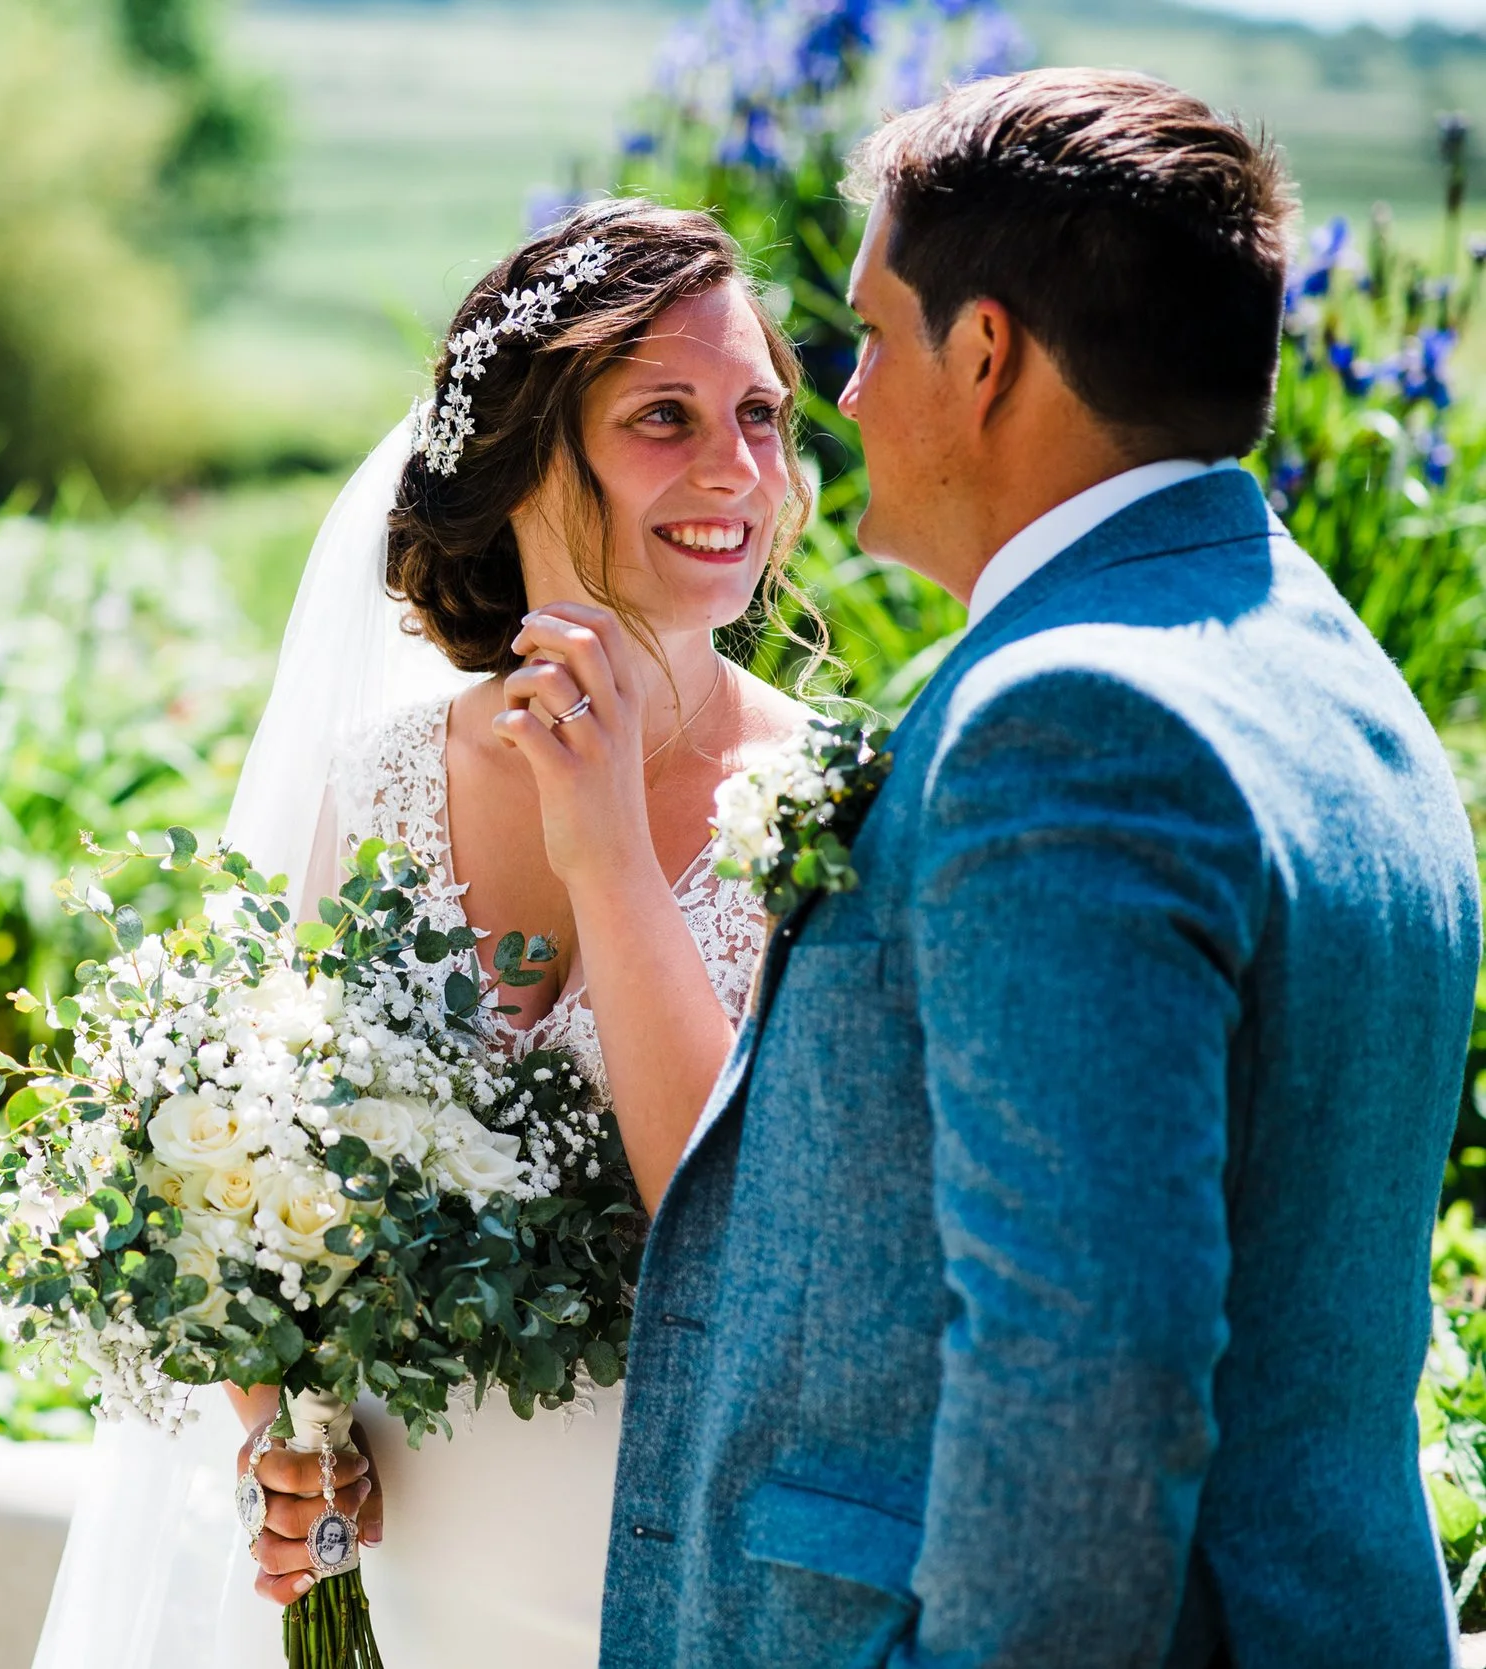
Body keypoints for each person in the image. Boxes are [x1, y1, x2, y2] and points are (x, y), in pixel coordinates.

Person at [590, 69, 1482, 1668]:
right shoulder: (1341, 680)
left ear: (986, 353)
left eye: (870, 338)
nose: (844, 402)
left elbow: (1092, 1376)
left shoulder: (1071, 723)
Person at [31, 200, 820, 1668]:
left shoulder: (824, 812)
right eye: (666, 416)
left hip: (693, 1583)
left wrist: (605, 859)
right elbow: (254, 1171)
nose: (739, 469)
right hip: (419, 1587)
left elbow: (745, 1235)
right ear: (520, 459)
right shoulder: (381, 781)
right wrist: (284, 1434)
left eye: (761, 414)